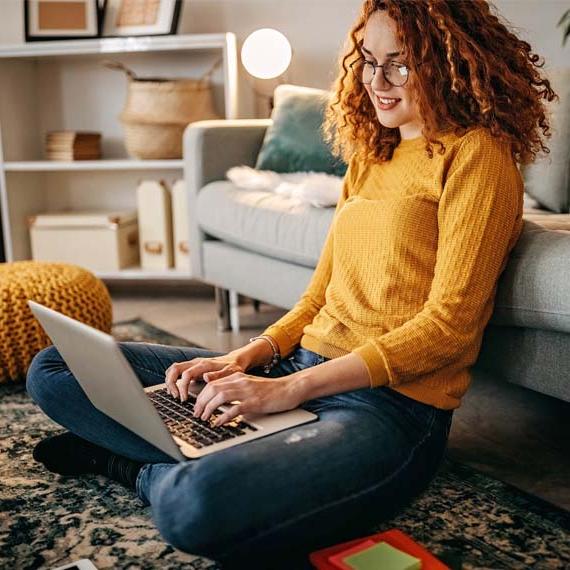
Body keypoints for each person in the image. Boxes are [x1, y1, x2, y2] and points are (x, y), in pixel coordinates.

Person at [26, 1, 557, 568]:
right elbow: (317, 296)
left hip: (385, 410)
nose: (377, 82)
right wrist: (246, 357)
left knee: (193, 506)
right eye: (368, 61)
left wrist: (288, 393)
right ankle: (212, 445)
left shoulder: (478, 156)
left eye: (400, 65)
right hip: (293, 370)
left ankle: (132, 462)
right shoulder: (373, 154)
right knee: (54, 368)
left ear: (451, 64)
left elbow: (449, 329)